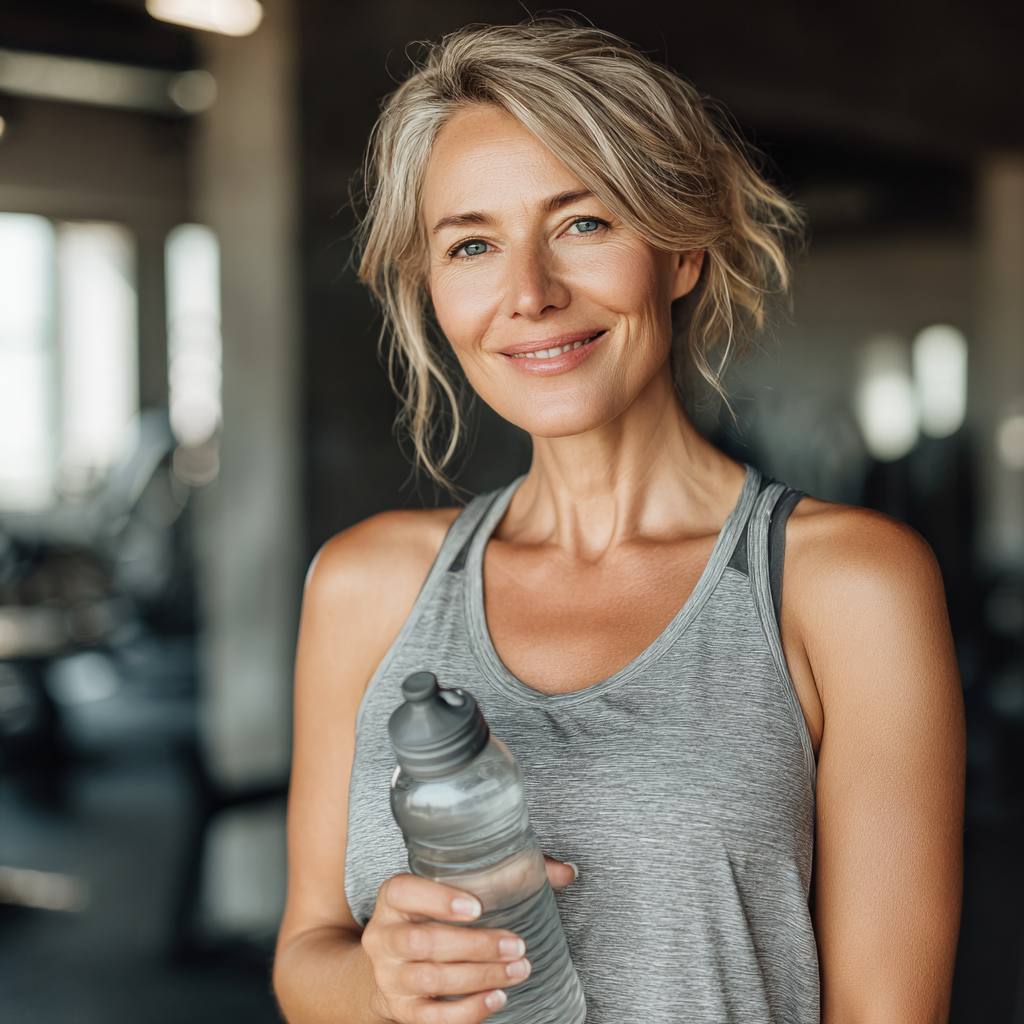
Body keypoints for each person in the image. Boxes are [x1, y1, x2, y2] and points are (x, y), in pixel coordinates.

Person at [273, 20, 965, 1024]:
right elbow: (307, 960)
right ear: (435, 291)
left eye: (583, 223)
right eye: (472, 244)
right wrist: (380, 977)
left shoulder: (842, 584)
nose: (530, 294)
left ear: (678, 250)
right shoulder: (365, 585)